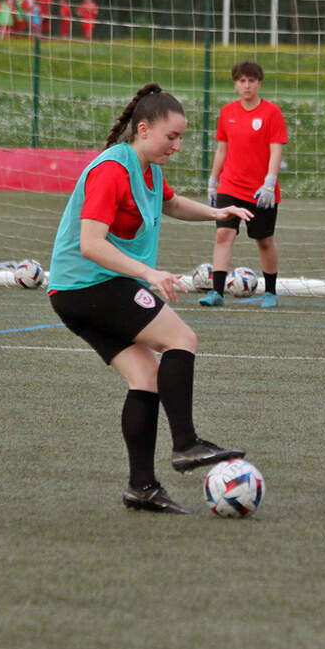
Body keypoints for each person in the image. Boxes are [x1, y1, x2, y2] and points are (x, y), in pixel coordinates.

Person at [47, 83, 249, 513]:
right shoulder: (111, 170)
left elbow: (172, 205)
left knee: (146, 377)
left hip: (76, 292)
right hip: (89, 285)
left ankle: (142, 487)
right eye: (171, 137)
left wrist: (217, 212)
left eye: (181, 138)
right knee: (183, 340)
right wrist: (148, 273)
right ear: (143, 129)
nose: (176, 146)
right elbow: (90, 244)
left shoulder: (148, 170)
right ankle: (187, 444)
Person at [199, 61, 288, 308]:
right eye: (241, 81)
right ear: (235, 84)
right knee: (223, 234)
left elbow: (276, 149)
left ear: (259, 83)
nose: (246, 85)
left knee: (264, 240)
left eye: (251, 81)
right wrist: (213, 180)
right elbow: (222, 149)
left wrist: (270, 182)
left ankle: (270, 292)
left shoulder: (272, 113)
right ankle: (216, 293)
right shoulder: (228, 112)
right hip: (230, 185)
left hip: (261, 190)